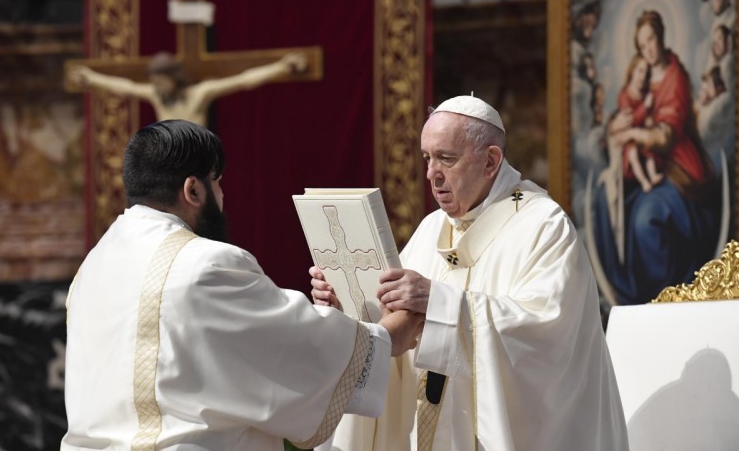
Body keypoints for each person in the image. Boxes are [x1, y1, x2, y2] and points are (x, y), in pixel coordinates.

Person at [62, 120, 424, 450]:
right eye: (217, 182)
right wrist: (385, 337)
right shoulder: (205, 263)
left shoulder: (93, 267)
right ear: (193, 189)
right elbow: (290, 348)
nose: (223, 196)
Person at [312, 96, 628, 450]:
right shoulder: (431, 228)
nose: (432, 174)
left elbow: (549, 336)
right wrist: (349, 306)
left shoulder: (544, 226)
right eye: (427, 158)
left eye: (447, 158)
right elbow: (395, 330)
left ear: (491, 160)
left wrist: (440, 303)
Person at [594, 10, 718, 304]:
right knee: (603, 198)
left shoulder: (675, 76)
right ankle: (626, 293)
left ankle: (661, 299)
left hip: (678, 168)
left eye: (650, 39)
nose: (647, 48)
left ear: (661, 36)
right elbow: (627, 114)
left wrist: (632, 135)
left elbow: (665, 137)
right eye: (641, 44)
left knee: (645, 219)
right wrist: (616, 128)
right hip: (646, 167)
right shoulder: (644, 76)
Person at [67, 52, 307, 126]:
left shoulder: (200, 93)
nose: (157, 85)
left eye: (161, 80)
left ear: (174, 78)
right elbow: (125, 87)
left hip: (197, 159)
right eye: (154, 80)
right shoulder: (156, 95)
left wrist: (280, 67)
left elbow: (243, 80)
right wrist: (91, 78)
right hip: (169, 161)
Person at [618, 55, 663, 193]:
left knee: (649, 150)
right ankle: (644, 181)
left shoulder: (644, 94)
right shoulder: (625, 95)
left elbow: (647, 118)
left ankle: (653, 175)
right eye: (640, 71)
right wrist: (645, 107)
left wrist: (649, 119)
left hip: (640, 136)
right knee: (633, 153)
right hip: (629, 139)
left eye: (646, 73)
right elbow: (631, 121)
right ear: (632, 70)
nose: (643, 77)